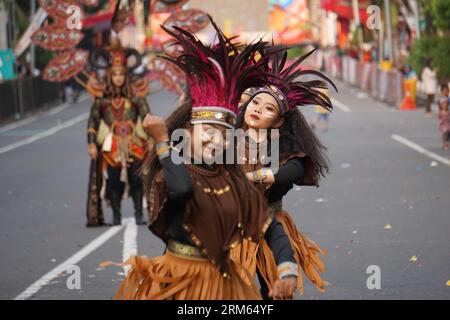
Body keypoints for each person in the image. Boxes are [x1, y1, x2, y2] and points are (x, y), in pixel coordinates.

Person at [107, 18, 299, 300]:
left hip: (223, 283)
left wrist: (286, 268)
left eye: (224, 135)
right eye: (207, 131)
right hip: (178, 280)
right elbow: (183, 190)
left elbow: (269, 225)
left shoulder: (231, 180)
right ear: (187, 132)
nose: (215, 140)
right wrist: (163, 144)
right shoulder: (172, 171)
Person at [232, 48, 335, 298]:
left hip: (268, 221)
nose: (257, 109)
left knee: (273, 290)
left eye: (268, 109)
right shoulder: (224, 138)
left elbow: (295, 169)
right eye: (255, 102)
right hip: (227, 226)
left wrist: (257, 177)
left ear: (278, 122)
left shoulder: (280, 145)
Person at [86, 42, 151, 226]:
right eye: (115, 74)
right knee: (114, 181)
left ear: (126, 75)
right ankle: (116, 215)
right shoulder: (102, 100)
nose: (118, 78)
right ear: (109, 75)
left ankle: (139, 214)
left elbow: (147, 117)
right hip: (111, 144)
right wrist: (91, 144)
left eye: (121, 74)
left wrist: (153, 137)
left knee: (137, 179)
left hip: (135, 143)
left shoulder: (136, 97)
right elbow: (92, 122)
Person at [438, 84, 450, 150]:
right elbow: (439, 110)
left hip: (448, 118)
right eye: (444, 91)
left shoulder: (449, 99)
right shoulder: (441, 100)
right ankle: (444, 143)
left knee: (448, 133)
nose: (446, 92)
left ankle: (447, 143)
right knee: (444, 133)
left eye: (447, 91)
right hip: (443, 121)